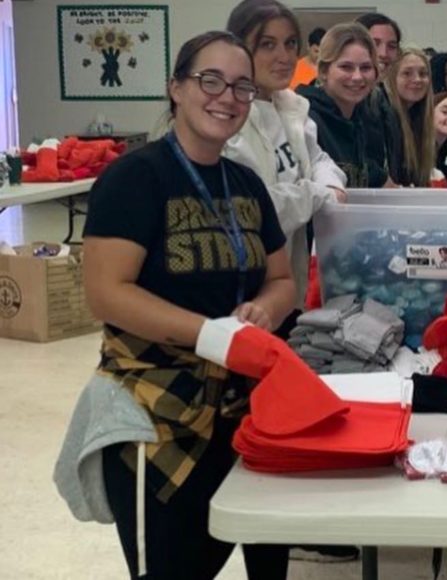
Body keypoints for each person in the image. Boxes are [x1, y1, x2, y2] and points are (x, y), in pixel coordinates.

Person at [69, 30, 294, 579]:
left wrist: (266, 308)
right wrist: (206, 333)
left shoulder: (245, 183)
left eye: (241, 86)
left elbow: (283, 276)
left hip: (239, 408)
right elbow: (107, 293)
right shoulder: (135, 178)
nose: (227, 97)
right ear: (175, 88)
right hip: (154, 415)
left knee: (261, 545)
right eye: (209, 80)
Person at [224, 0, 348, 340]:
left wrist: (328, 185)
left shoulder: (289, 106)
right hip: (243, 295)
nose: (284, 56)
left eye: (290, 43)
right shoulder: (228, 119)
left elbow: (319, 159)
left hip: (284, 287)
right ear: (238, 48)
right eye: (267, 44)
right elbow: (258, 210)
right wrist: (319, 195)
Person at [298, 23, 380, 187]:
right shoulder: (306, 120)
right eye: (346, 67)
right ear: (323, 71)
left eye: (365, 67)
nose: (357, 77)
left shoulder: (361, 120)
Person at [355, 12, 404, 187]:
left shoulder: (381, 97)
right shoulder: (344, 97)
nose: (383, 53)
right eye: (374, 44)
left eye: (392, 46)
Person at [384, 47, 436, 186]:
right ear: (392, 78)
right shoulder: (385, 119)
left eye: (423, 74)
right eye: (407, 73)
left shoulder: (420, 120)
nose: (417, 79)